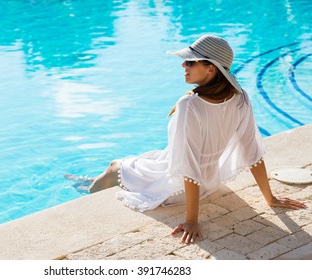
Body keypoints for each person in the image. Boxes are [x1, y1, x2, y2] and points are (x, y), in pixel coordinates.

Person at [85, 35, 306, 244]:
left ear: (210, 69)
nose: (184, 65)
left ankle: (86, 190)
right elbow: (252, 152)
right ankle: (85, 181)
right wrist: (270, 197)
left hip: (176, 187)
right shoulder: (241, 97)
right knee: (146, 159)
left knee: (115, 167)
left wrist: (192, 220)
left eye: (190, 62)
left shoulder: (189, 106)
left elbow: (188, 166)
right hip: (209, 182)